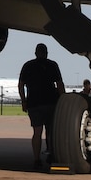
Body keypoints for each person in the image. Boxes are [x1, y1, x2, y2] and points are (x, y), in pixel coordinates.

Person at [19, 43, 65, 172]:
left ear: (35, 53)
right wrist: (63, 100)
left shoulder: (28, 65)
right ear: (46, 53)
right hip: (50, 102)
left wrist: (24, 101)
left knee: (37, 132)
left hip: (34, 103)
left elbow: (21, 85)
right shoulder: (52, 65)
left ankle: (36, 159)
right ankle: (51, 154)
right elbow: (60, 84)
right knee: (50, 131)